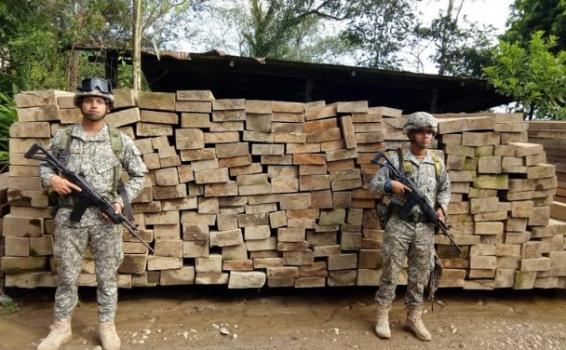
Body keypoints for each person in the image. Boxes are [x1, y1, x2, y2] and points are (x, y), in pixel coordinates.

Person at [37, 77, 148, 350]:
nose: (94, 105)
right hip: (69, 218)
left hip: (106, 219)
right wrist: (52, 181)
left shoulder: (119, 140)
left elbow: (138, 176)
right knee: (66, 274)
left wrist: (121, 204)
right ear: (81, 104)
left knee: (107, 275)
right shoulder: (63, 137)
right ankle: (61, 327)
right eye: (88, 100)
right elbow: (44, 168)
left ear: (107, 106)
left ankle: (107, 325)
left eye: (99, 101)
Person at [369, 112, 450, 342]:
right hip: (399, 224)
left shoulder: (436, 163)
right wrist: (389, 184)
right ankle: (383, 315)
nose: (427, 136)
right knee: (391, 271)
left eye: (430, 132)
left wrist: (442, 208)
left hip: (424, 228)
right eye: (422, 131)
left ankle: (414, 317)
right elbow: (373, 185)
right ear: (412, 133)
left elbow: (445, 189)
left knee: (420, 275)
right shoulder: (395, 159)